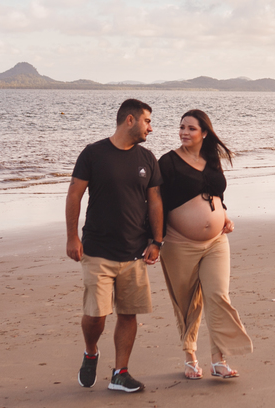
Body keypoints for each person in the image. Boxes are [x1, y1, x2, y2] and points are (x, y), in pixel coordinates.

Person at [65, 98, 164, 393]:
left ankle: (120, 373)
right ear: (130, 120)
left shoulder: (147, 158)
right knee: (96, 314)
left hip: (135, 252)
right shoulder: (93, 154)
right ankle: (91, 350)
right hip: (97, 250)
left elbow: (155, 201)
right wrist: (72, 237)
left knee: (128, 313)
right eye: (147, 121)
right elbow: (74, 195)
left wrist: (156, 241)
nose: (151, 127)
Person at [158, 109, 253, 379]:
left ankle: (218, 360)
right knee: (187, 304)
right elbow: (155, 202)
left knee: (217, 296)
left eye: (191, 128)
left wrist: (224, 215)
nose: (184, 132)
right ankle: (190, 358)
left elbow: (217, 195)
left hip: (216, 242)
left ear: (204, 133)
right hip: (179, 243)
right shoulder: (168, 162)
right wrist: (154, 239)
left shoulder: (212, 159)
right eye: (182, 127)